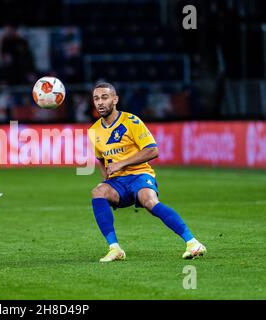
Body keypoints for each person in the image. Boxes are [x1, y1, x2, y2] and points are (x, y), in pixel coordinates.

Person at [87, 82, 206, 262]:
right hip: (118, 182)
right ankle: (115, 249)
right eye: (96, 98)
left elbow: (152, 150)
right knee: (98, 192)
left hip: (140, 175)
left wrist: (121, 164)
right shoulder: (93, 130)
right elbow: (101, 159)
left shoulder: (131, 122)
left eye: (105, 97)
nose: (100, 102)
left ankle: (193, 243)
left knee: (149, 201)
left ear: (115, 99)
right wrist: (107, 179)